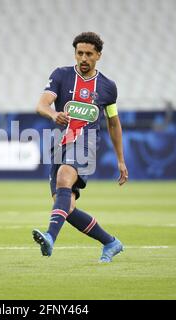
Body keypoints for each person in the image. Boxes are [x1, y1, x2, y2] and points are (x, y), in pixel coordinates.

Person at [32, 32, 129, 263]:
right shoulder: (61, 75)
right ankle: (110, 242)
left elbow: (113, 123)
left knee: (65, 178)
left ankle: (50, 237)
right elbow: (42, 104)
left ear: (98, 56)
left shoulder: (107, 87)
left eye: (89, 54)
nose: (83, 58)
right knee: (67, 207)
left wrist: (121, 160)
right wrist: (54, 114)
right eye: (79, 53)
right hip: (60, 144)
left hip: (87, 143)